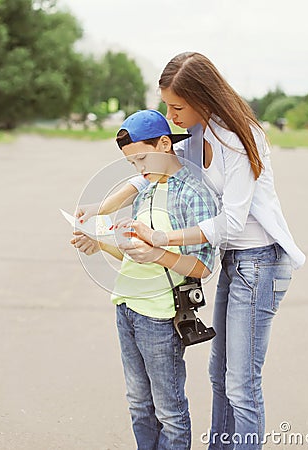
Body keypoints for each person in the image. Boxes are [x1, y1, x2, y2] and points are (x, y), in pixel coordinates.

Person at [78, 52, 306, 450]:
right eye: (167, 104)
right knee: (219, 375)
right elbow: (151, 173)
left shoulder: (239, 137)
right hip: (235, 261)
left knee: (241, 384)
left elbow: (231, 224)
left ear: (203, 97)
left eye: (177, 106)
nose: (171, 113)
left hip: (261, 261)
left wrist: (163, 239)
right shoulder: (198, 133)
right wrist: (100, 208)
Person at [72, 109, 217, 450]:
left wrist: (157, 253)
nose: (139, 170)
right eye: (132, 164)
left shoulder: (192, 194)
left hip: (160, 316)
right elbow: (135, 255)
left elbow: (202, 267)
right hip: (126, 308)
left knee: (169, 411)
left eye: (141, 159)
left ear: (165, 144)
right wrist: (99, 245)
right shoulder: (147, 189)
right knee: (138, 404)